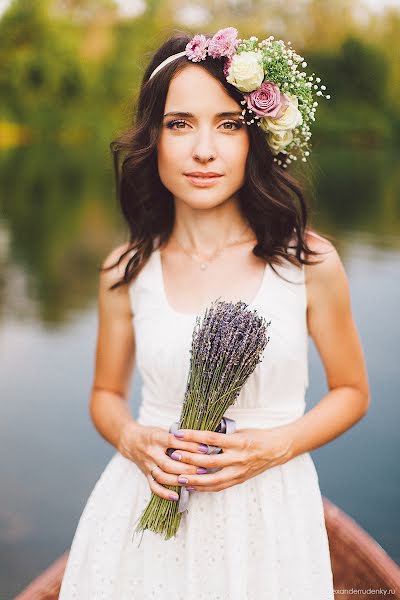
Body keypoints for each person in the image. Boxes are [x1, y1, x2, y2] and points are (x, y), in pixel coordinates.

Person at [59, 27, 370, 599]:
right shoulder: (124, 270)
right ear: (154, 139)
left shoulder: (309, 261)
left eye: (228, 124)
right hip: (143, 507)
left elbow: (352, 390)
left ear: (255, 139)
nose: (205, 149)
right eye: (180, 124)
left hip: (270, 512)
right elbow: (105, 394)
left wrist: (276, 446)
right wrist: (132, 439)